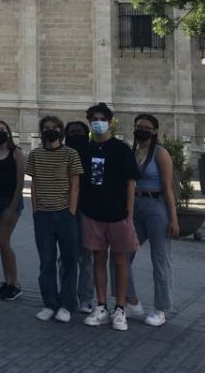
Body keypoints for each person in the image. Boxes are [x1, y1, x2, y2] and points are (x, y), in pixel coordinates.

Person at [81, 102, 141, 332]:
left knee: (120, 260)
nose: (98, 122)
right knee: (98, 259)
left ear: (109, 122)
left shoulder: (121, 149)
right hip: (93, 213)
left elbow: (130, 182)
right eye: (94, 119)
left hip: (118, 214)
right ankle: (102, 305)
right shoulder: (84, 150)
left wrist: (129, 212)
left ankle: (120, 309)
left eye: (102, 119)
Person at [27, 116, 84, 323]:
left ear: (61, 131)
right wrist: (35, 211)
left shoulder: (71, 154)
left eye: (54, 128)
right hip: (42, 216)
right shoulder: (35, 155)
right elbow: (33, 185)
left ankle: (67, 305)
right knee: (46, 261)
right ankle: (49, 303)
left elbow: (75, 184)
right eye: (46, 128)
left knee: (69, 261)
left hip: (65, 215)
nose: (50, 131)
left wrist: (70, 211)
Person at [124, 114, 178, 327]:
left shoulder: (161, 154)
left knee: (160, 260)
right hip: (134, 206)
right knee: (121, 255)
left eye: (146, 127)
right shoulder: (132, 153)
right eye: (138, 126)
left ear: (155, 131)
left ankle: (161, 308)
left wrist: (173, 218)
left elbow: (168, 187)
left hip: (157, 208)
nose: (141, 130)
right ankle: (132, 301)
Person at [0, 120, 25, 301]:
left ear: (8, 132)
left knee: (4, 241)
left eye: (2, 129)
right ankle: (7, 281)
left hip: (11, 202)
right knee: (2, 243)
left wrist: (12, 207)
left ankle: (15, 283)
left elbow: (20, 182)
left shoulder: (16, 153)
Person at [62, 120, 95, 313]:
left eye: (79, 132)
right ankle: (67, 296)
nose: (76, 135)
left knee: (86, 255)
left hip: (87, 210)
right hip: (65, 209)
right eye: (72, 132)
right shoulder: (62, 154)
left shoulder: (92, 153)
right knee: (66, 255)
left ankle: (86, 298)